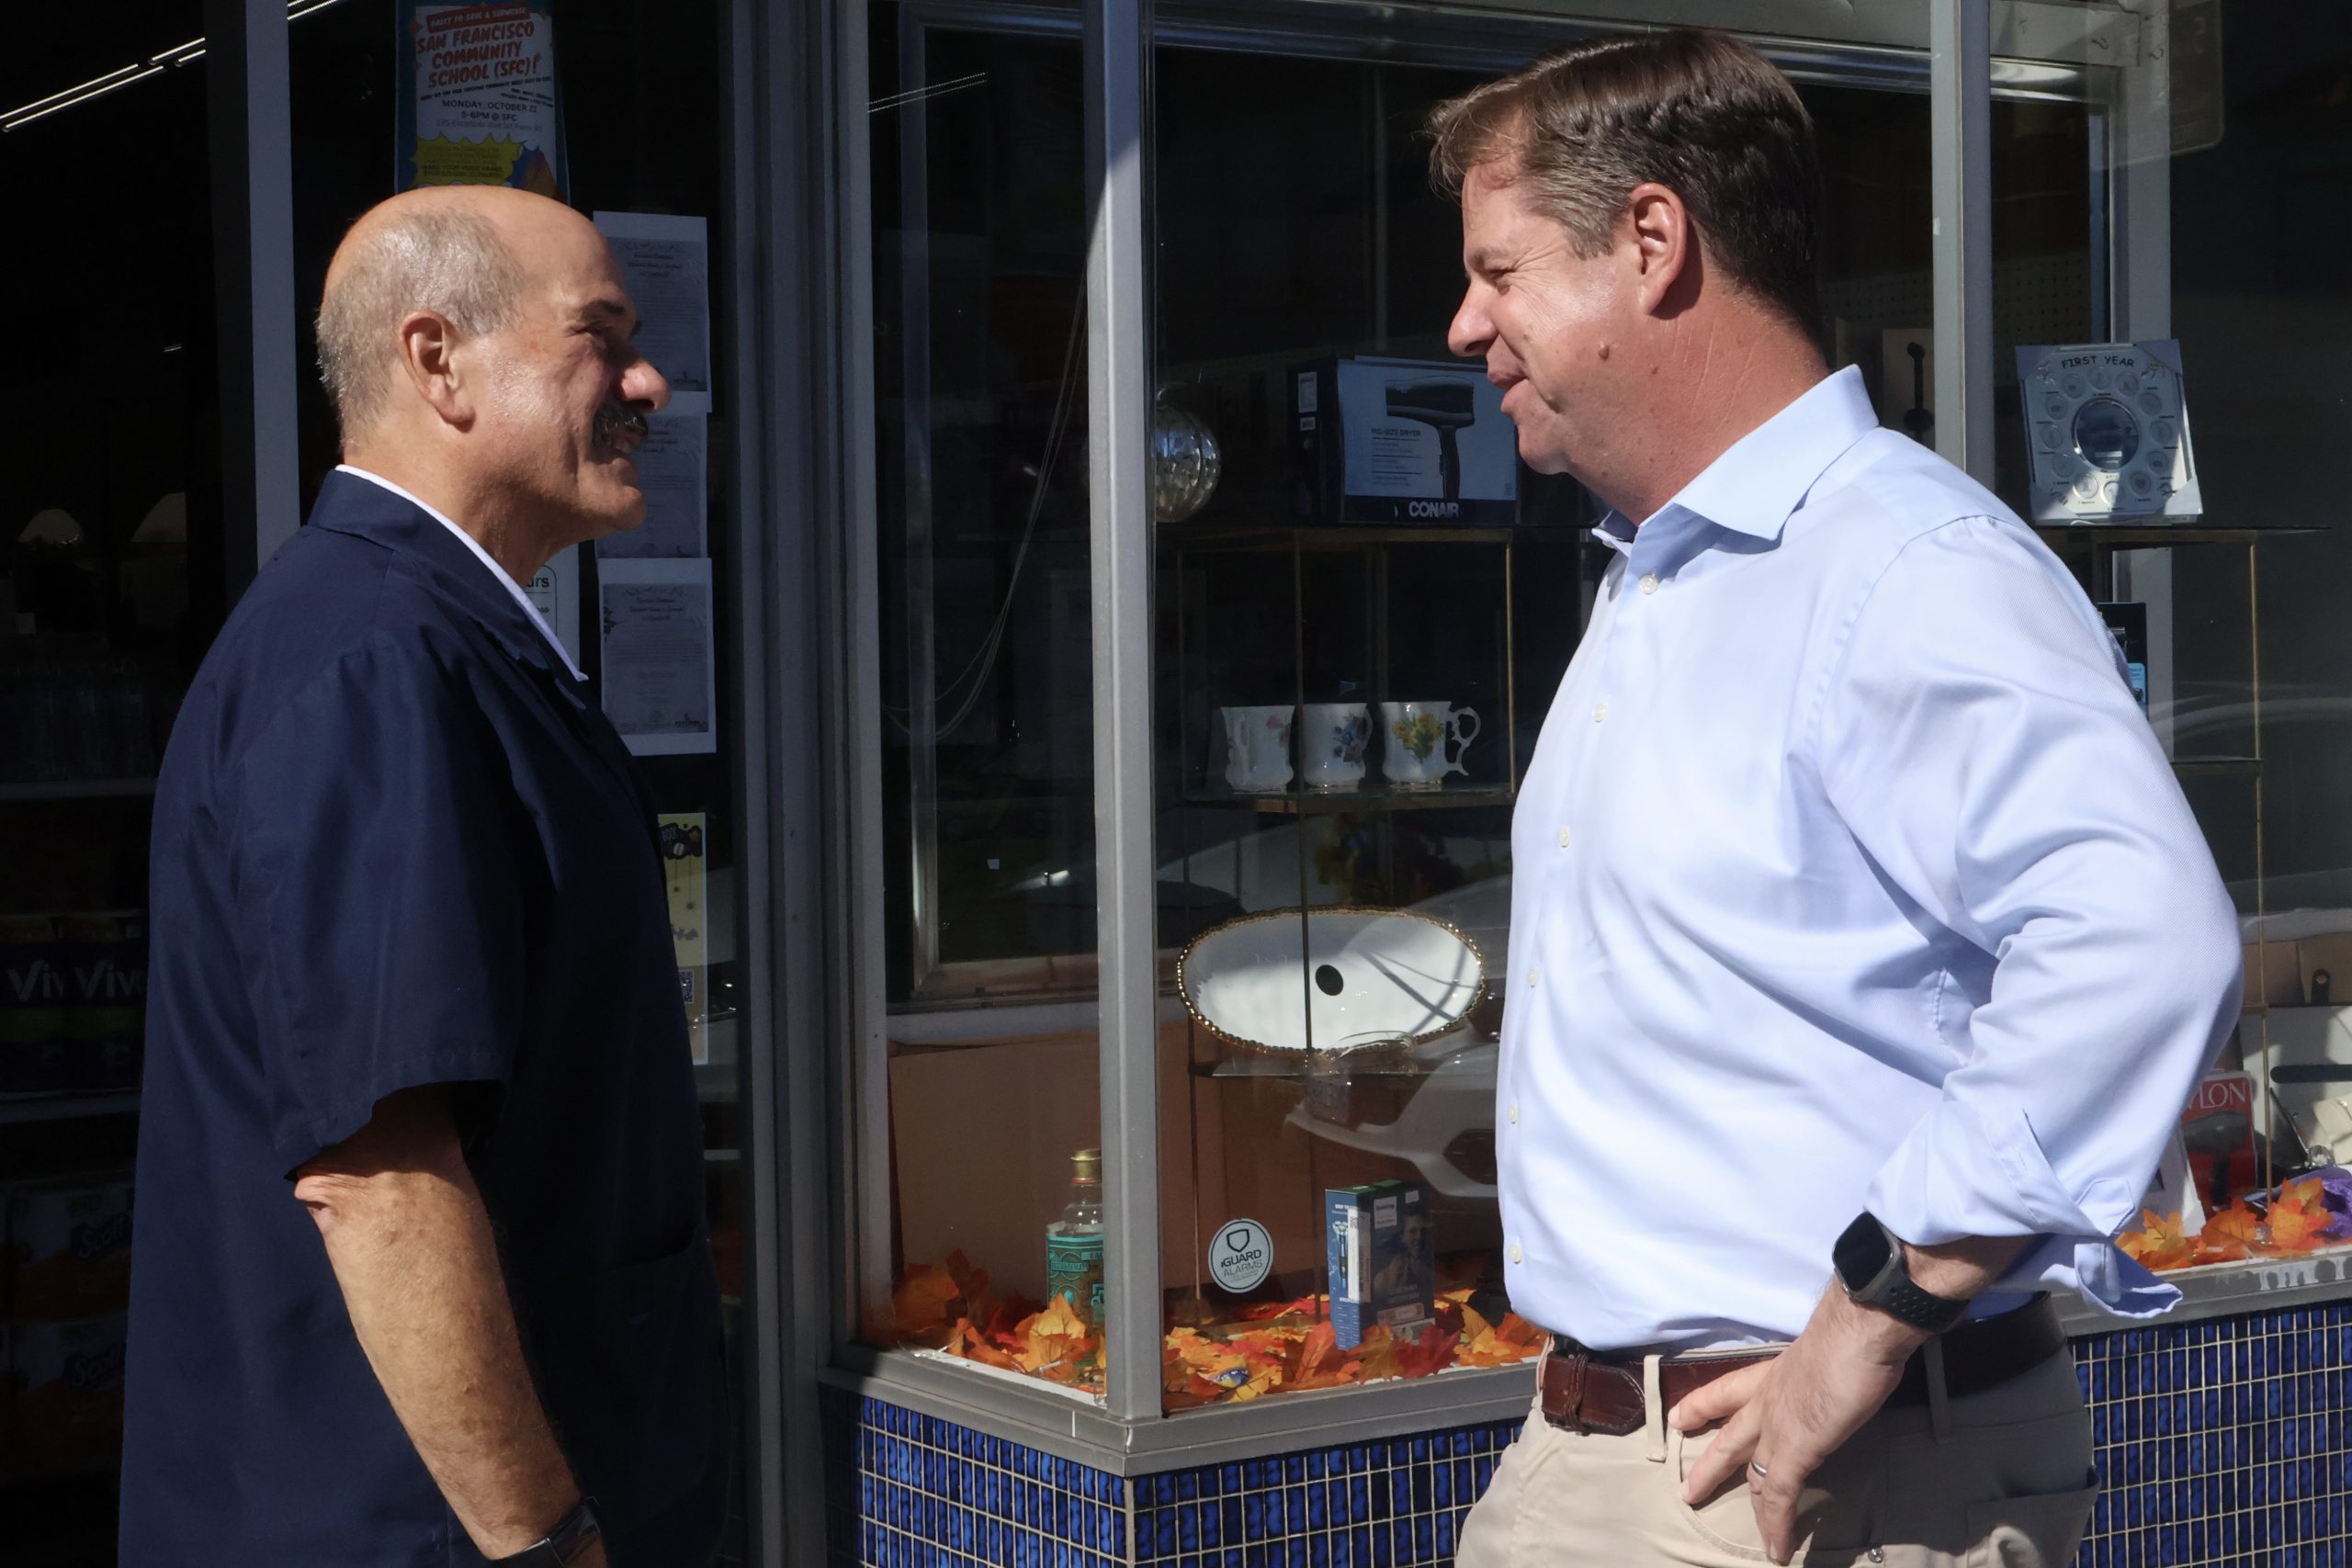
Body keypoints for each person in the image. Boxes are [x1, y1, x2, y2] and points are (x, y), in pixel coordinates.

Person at [1427, 30, 2240, 1568]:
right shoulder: (1663, 573)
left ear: (1653, 244)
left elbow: (2141, 942)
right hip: (1618, 1461)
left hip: (1816, 1480)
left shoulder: (1897, 563)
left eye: (1501, 270)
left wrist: (1873, 1313)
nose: (1466, 325)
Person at [120, 186, 728, 1568]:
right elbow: (379, 1177)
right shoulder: (375, 666)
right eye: (601, 336)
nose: (649, 382)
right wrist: (546, 1540)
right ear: (435, 359)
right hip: (420, 1533)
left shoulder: (439, 641)